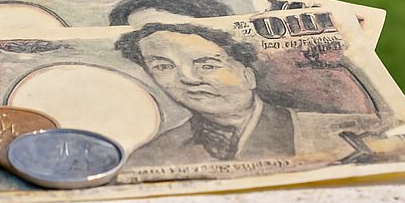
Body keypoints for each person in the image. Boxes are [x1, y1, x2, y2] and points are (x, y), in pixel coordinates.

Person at [114, 22, 296, 164]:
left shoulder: (313, 128)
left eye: (207, 65)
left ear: (249, 76)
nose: (189, 79)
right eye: (164, 66)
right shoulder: (151, 154)